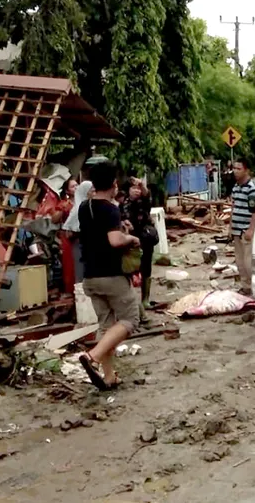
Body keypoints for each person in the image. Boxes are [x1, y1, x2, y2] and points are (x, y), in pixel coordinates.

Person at [78, 161, 141, 390]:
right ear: (114, 184)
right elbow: (114, 241)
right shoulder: (110, 209)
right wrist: (131, 239)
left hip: (90, 276)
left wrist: (119, 228)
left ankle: (108, 376)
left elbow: (98, 233)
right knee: (130, 319)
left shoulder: (85, 207)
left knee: (106, 326)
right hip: (111, 275)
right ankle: (92, 356)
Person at [120, 177, 156, 313]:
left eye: (138, 188)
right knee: (130, 266)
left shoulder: (144, 201)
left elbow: (147, 195)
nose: (137, 191)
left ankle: (145, 299)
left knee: (146, 267)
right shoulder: (123, 202)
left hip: (145, 237)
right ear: (128, 190)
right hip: (129, 238)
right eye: (134, 188)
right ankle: (131, 300)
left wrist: (142, 185)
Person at [231, 159, 255, 296]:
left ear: (246, 170)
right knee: (240, 261)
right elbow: (233, 206)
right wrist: (230, 226)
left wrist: (251, 229)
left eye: (239, 168)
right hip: (236, 230)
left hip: (245, 230)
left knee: (248, 262)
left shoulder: (252, 188)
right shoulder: (236, 187)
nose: (235, 171)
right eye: (234, 168)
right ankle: (246, 287)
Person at [62, 179, 93, 284]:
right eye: (90, 190)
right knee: (80, 272)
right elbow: (68, 232)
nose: (93, 192)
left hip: (91, 245)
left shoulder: (91, 205)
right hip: (80, 244)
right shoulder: (77, 209)